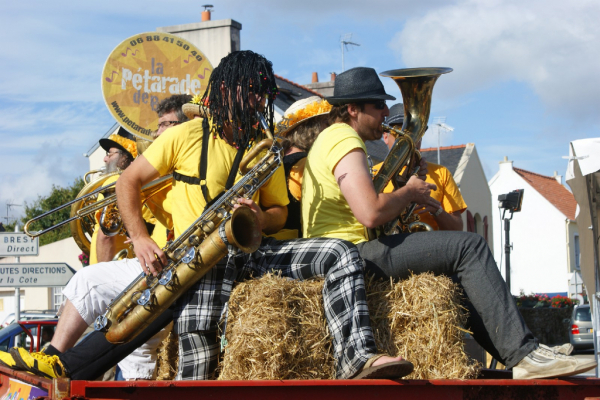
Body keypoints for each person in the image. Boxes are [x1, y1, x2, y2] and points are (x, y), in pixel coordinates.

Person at [6, 51, 411, 381]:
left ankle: (356, 358)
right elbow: (127, 182)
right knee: (186, 349)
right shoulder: (184, 135)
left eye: (263, 95)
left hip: (249, 254)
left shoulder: (264, 146)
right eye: (253, 93)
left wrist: (259, 216)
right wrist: (142, 240)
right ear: (227, 90)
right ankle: (65, 363)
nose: (259, 102)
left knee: (340, 253)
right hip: (196, 259)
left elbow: (279, 212)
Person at [301, 66, 596, 380]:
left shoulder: (332, 138)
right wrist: (408, 191)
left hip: (351, 252)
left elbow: (363, 202)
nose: (387, 112)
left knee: (458, 276)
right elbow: (370, 213)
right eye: (379, 105)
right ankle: (525, 356)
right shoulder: (344, 139)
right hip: (351, 256)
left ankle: (523, 355)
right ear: (353, 109)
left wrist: (403, 186)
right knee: (469, 246)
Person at [376, 103, 466, 231]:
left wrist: (437, 210)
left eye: (416, 134)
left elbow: (457, 229)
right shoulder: (374, 173)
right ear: (385, 137)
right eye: (400, 134)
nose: (410, 141)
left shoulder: (441, 173)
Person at [277, 96, 332, 236]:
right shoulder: (308, 164)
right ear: (311, 127)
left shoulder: (281, 159)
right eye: (327, 124)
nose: (332, 129)